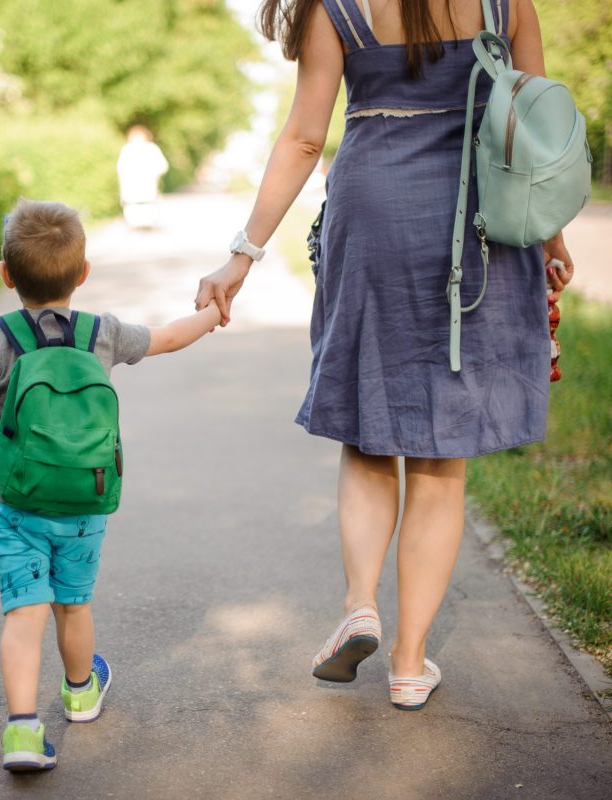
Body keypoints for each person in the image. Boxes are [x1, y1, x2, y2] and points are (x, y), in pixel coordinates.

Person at [195, 0, 574, 711]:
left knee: (372, 431)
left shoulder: (336, 8)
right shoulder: (505, 2)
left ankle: (360, 604)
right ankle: (408, 664)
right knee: (440, 458)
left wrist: (242, 255)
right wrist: (550, 235)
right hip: (481, 224)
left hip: (374, 213)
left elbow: (306, 139)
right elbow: (537, 125)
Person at [0, 199, 221, 770]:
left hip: (13, 504)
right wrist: (213, 312)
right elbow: (169, 338)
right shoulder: (101, 333)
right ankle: (82, 692)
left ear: (5, 275)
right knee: (73, 605)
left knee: (24, 614)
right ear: (83, 274)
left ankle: (22, 733)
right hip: (85, 503)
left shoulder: (0, 336)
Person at [117, 125, 170, 228]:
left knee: (148, 213)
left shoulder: (152, 149)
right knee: (133, 216)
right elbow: (121, 169)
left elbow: (163, 166)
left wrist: (153, 173)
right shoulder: (127, 149)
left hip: (148, 187)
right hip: (130, 189)